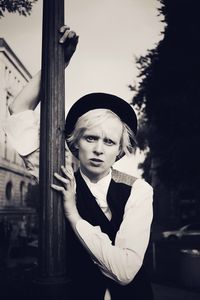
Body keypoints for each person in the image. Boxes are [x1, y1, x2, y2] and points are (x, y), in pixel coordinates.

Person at [5, 26, 154, 300]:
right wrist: (58, 65)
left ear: (120, 151)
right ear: (75, 142)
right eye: (90, 138)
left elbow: (124, 271)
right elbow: (19, 111)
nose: (98, 149)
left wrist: (73, 214)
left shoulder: (139, 191)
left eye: (109, 142)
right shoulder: (59, 174)